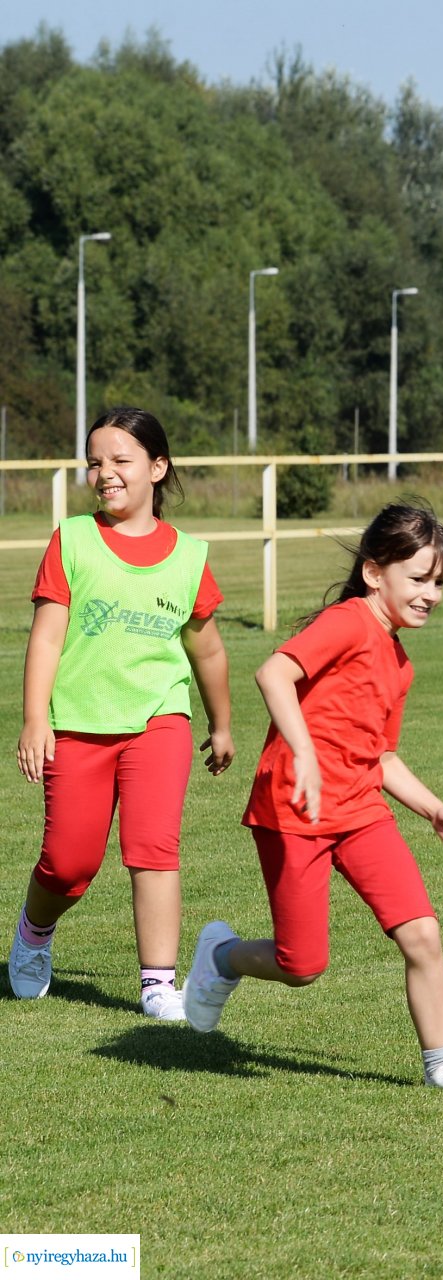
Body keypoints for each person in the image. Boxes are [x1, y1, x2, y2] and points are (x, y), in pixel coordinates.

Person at [181, 504, 443, 1096]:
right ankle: (222, 957)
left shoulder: (400, 663)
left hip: (360, 812)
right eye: (419, 578)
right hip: (294, 810)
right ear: (374, 573)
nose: (430, 594)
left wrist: (434, 809)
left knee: (422, 935)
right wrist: (303, 753)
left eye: (439, 582)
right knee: (301, 965)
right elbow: (273, 674)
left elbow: (382, 758)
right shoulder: (349, 622)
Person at [8, 408, 233, 1017]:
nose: (104, 473)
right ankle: (34, 932)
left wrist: (221, 724)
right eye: (95, 462)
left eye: (120, 460)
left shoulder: (189, 556)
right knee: (69, 863)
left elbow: (207, 649)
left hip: (160, 720)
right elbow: (47, 637)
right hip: (77, 723)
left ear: (157, 468)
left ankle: (159, 984)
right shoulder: (72, 539)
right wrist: (35, 718)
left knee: (153, 847)